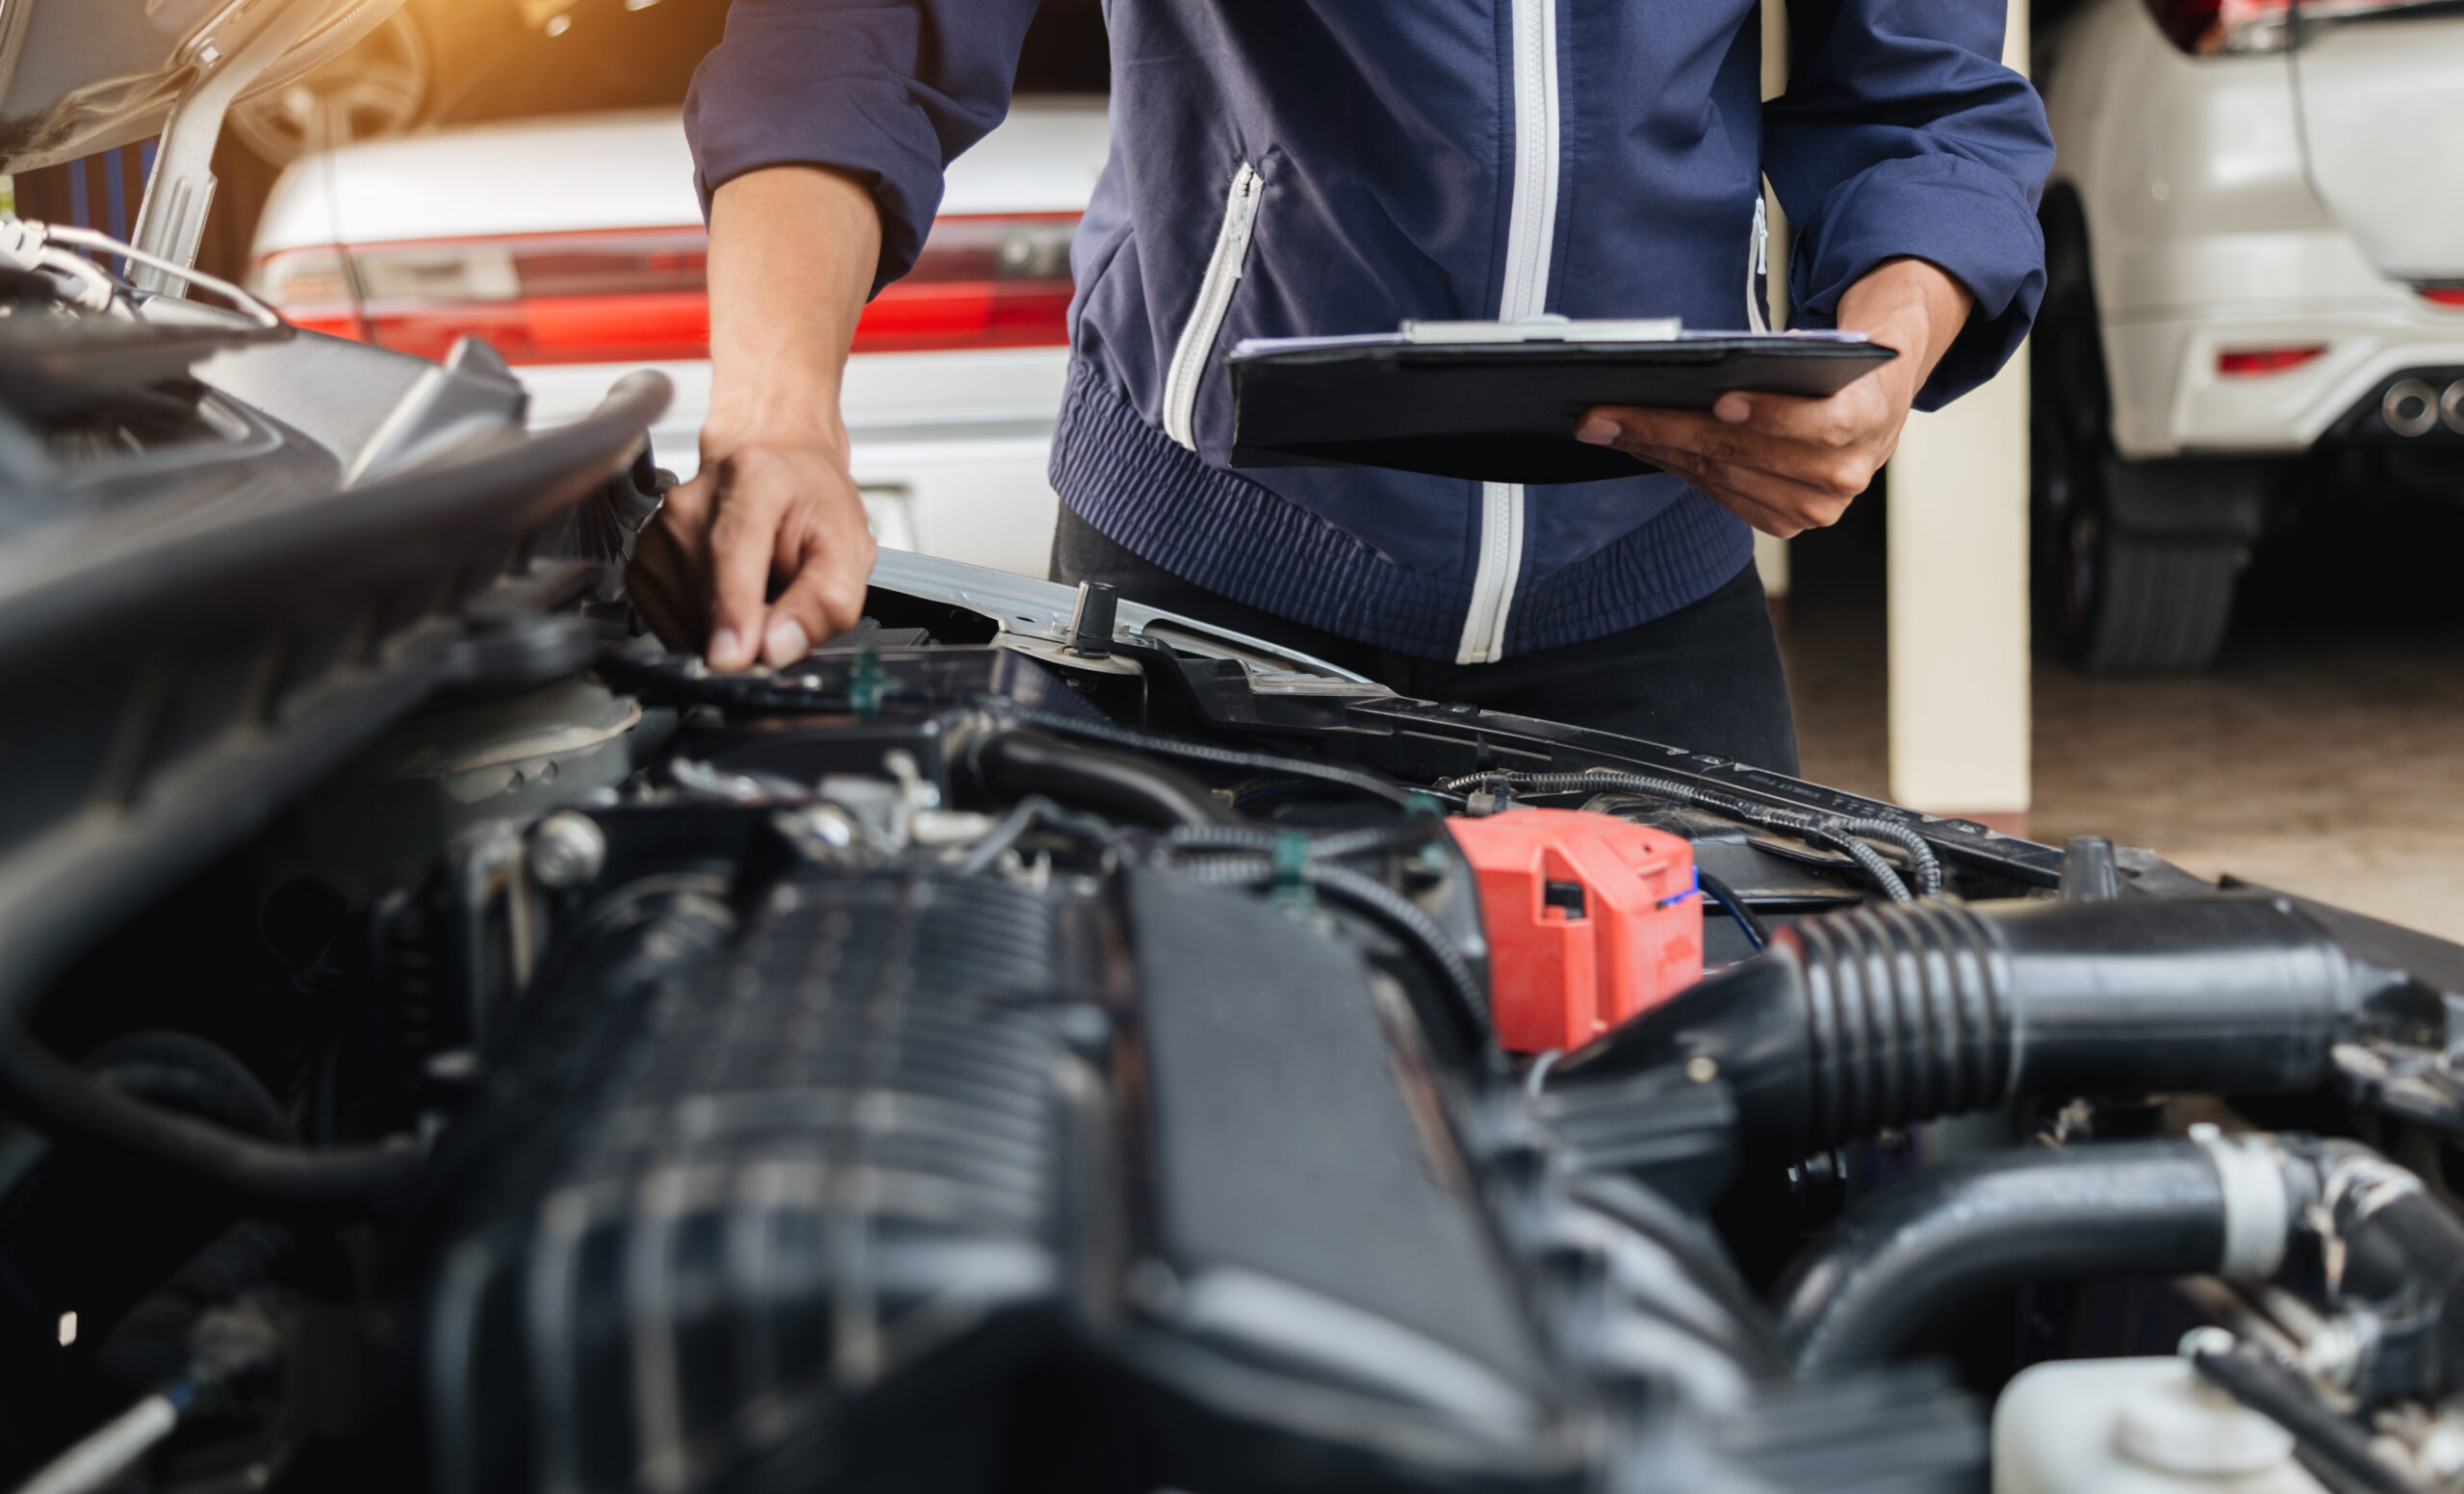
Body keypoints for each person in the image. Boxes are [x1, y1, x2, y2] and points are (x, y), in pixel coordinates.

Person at [629, 0, 2055, 773]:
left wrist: (1885, 346)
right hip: (1208, 602)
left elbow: (1930, 101)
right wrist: (775, 414)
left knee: (1722, 1192)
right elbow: (854, 35)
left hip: (1656, 607)